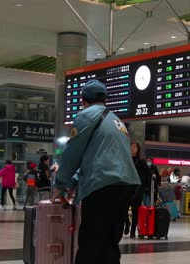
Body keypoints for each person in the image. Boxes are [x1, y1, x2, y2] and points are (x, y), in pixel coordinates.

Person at [50, 80, 140, 264]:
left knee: (90, 243)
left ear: (83, 100)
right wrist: (73, 182)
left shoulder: (86, 115)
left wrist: (60, 184)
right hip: (126, 186)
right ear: (105, 100)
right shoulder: (117, 121)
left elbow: (73, 151)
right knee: (110, 243)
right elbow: (95, 157)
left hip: (103, 186)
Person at [126, 141, 152, 239]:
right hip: (128, 186)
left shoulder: (141, 161)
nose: (132, 148)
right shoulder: (127, 160)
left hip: (138, 188)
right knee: (123, 206)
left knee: (135, 210)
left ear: (138, 149)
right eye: (131, 146)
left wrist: (152, 177)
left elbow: (149, 172)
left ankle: (133, 231)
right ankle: (127, 223)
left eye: (134, 147)